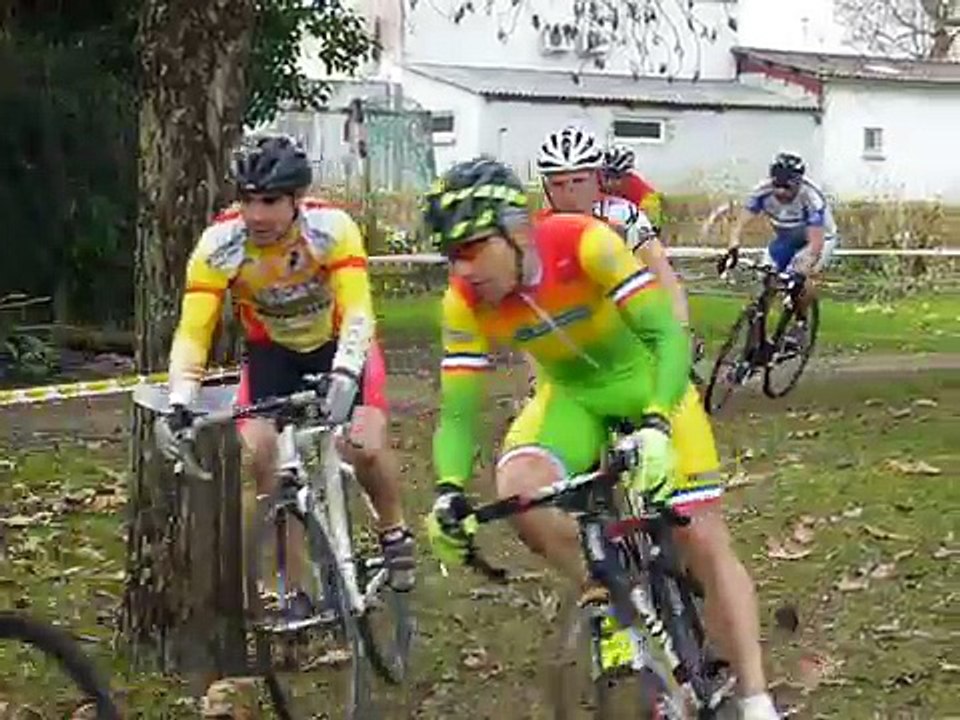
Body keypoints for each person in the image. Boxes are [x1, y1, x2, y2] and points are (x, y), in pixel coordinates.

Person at [423, 157, 780, 720]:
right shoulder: (463, 301)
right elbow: (459, 414)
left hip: (647, 383)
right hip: (572, 397)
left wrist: (659, 424)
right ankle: (618, 601)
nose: (462, 269)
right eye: (450, 255)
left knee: (703, 539)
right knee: (520, 486)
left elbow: (666, 335)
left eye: (471, 248)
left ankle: (758, 700)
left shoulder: (586, 243)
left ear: (516, 231)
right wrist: (447, 490)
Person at [155, 134, 415, 613]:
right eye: (247, 200)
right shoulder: (219, 245)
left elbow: (359, 311)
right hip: (272, 351)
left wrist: (344, 375)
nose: (257, 215)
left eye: (271, 201)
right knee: (262, 455)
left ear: (296, 200)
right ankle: (293, 587)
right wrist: (179, 402)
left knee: (363, 443)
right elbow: (194, 331)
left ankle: (393, 528)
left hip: (341, 343)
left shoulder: (331, 229)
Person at [719, 152, 838, 334]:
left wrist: (803, 269)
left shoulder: (811, 198)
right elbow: (740, 223)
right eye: (777, 185)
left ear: (798, 183)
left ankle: (800, 323)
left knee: (799, 275)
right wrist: (733, 247)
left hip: (818, 240)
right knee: (767, 277)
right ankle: (758, 336)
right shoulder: (762, 191)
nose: (781, 192)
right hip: (786, 239)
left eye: (787, 187)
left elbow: (815, 244)